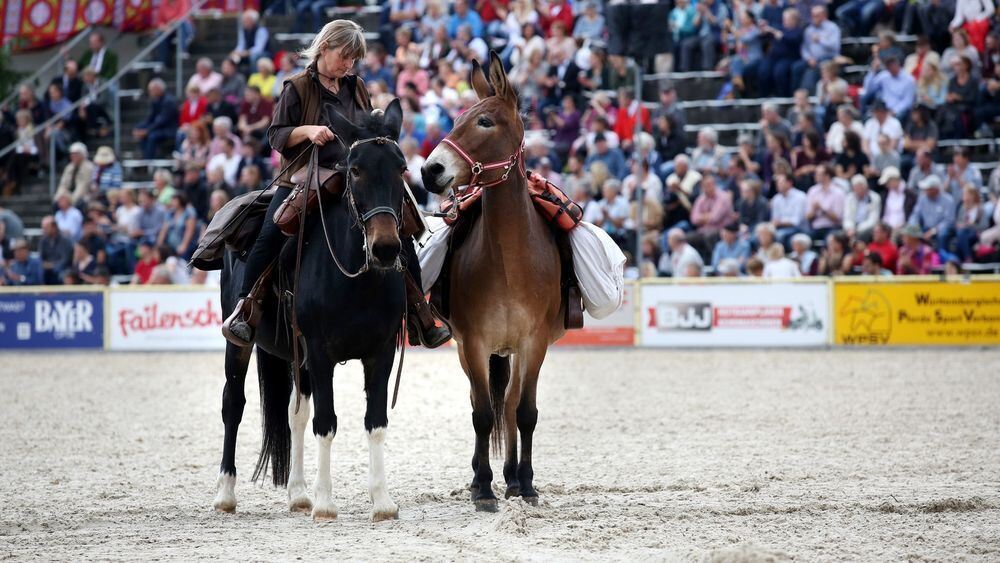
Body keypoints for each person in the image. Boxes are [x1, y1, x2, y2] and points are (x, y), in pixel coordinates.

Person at [222, 20, 449, 350]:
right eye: (345, 56)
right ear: (324, 48)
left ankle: (419, 313)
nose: (348, 65)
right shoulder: (296, 87)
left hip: (352, 174)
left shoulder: (354, 86)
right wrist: (308, 131)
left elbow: (364, 130)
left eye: (353, 59)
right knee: (273, 231)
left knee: (404, 223)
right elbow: (276, 135)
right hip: (304, 175)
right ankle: (247, 307)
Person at [132, 78, 179, 159]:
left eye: (151, 90)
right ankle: (144, 157)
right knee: (143, 134)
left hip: (169, 129)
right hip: (158, 128)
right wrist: (138, 128)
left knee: (152, 136)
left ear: (158, 89)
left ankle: (149, 160)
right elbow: (150, 118)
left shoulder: (169, 101)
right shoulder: (155, 101)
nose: (150, 93)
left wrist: (147, 131)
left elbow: (163, 121)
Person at [909, 174, 956, 251]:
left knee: (942, 234)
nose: (925, 191)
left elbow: (949, 221)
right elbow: (915, 215)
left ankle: (942, 258)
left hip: (941, 229)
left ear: (935, 189)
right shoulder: (922, 199)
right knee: (912, 233)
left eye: (927, 189)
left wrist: (933, 231)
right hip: (926, 228)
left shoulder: (948, 200)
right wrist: (914, 227)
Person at [805, 164, 844, 241]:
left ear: (827, 176)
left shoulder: (838, 192)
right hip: (815, 227)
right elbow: (807, 217)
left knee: (830, 240)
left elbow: (838, 218)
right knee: (803, 240)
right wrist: (814, 210)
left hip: (832, 227)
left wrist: (822, 209)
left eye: (818, 174)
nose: (815, 176)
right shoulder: (812, 191)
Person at [770, 173, 808, 247]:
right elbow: (774, 219)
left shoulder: (800, 196)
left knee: (779, 235)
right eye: (777, 183)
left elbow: (796, 221)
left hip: (799, 228)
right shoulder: (776, 199)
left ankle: (778, 257)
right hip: (781, 227)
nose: (778, 185)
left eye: (780, 182)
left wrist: (780, 222)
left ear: (789, 183)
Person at [844, 174, 882, 242]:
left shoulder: (875, 197)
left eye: (860, 187)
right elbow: (847, 217)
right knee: (838, 237)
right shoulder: (849, 198)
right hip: (852, 228)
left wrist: (857, 230)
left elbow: (873, 219)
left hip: (867, 227)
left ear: (866, 187)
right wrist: (850, 228)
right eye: (856, 188)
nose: (858, 190)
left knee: (862, 236)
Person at [38, 216, 74, 285]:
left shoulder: (65, 240)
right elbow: (41, 257)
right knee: (39, 271)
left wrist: (52, 266)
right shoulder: (43, 241)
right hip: (47, 269)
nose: (44, 230)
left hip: (62, 268)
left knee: (63, 274)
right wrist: (44, 265)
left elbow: (65, 260)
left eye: (46, 228)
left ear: (54, 227)